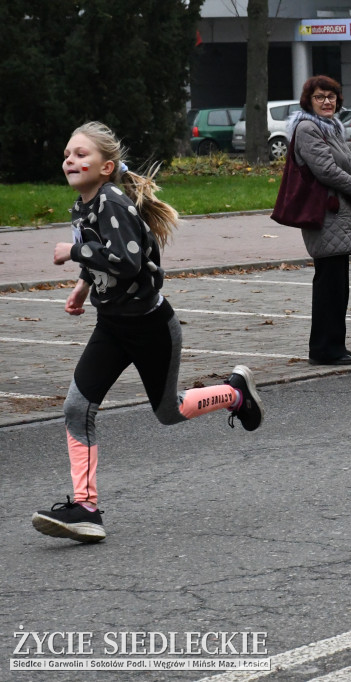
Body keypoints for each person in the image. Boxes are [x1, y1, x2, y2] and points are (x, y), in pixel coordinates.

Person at [33, 121, 265, 543]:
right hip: (112, 328)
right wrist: (83, 287)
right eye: (68, 153)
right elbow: (101, 256)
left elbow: (126, 261)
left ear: (106, 167)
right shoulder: (82, 206)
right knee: (76, 408)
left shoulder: (112, 202)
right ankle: (85, 508)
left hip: (151, 328)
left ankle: (235, 393)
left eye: (81, 154)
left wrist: (72, 253)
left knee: (168, 412)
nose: (71, 160)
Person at [290, 75, 351, 364]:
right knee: (329, 285)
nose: (327, 101)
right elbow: (325, 169)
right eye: (320, 97)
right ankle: (323, 349)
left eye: (331, 97)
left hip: (337, 213)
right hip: (324, 215)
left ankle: (335, 343)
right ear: (309, 101)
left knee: (338, 286)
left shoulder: (331, 128)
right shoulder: (308, 128)